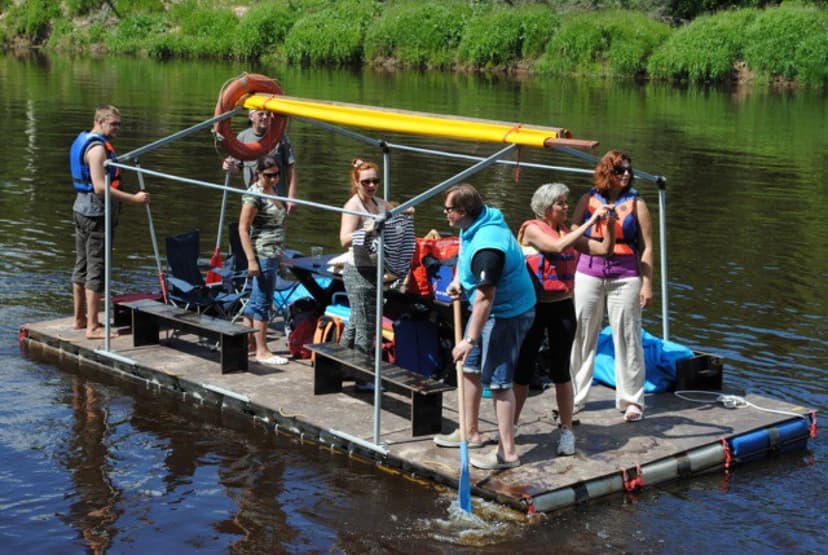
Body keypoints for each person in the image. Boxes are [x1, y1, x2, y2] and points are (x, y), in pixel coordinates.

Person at [433, 184, 536, 470]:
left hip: (508, 313)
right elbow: (465, 253)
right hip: (490, 310)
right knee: (469, 368)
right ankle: (470, 432)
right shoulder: (473, 224)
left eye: (448, 210)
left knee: (500, 382)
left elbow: (484, 297)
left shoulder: (489, 246)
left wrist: (469, 339)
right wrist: (457, 280)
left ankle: (507, 453)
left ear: (463, 211)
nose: (445, 214)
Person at [513, 183, 616, 456]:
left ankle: (567, 431)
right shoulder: (532, 229)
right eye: (561, 203)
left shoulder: (569, 232)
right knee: (523, 370)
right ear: (547, 207)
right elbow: (556, 246)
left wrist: (610, 225)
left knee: (561, 371)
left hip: (561, 309)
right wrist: (591, 220)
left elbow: (604, 249)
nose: (566, 207)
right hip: (533, 308)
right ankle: (511, 425)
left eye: (566, 202)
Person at [569, 150, 654, 422]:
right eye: (620, 170)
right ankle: (575, 396)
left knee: (628, 336)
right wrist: (593, 245)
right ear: (608, 172)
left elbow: (647, 246)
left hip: (625, 275)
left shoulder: (637, 203)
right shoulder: (588, 199)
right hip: (588, 273)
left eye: (629, 169)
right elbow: (573, 232)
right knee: (582, 334)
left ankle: (632, 400)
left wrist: (647, 283)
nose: (627, 174)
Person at [70, 105, 150, 339]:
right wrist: (134, 199)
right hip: (95, 213)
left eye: (119, 124)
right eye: (113, 124)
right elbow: (100, 186)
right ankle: (93, 327)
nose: (117, 128)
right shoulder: (96, 150)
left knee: (82, 265)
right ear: (100, 121)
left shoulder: (83, 139)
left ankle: (79, 319)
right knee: (96, 267)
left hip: (81, 208)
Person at [238, 155, 289, 365]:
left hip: (274, 252)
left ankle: (247, 344)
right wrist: (251, 260)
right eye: (269, 175)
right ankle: (262, 350)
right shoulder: (254, 196)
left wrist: (281, 254)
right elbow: (243, 228)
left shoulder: (273, 190)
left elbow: (276, 226)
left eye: (277, 174)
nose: (275, 179)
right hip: (262, 253)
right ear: (258, 173)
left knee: (255, 300)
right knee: (263, 301)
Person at [338, 158, 392, 356]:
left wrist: (403, 213)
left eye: (375, 181)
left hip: (375, 270)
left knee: (355, 323)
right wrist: (368, 231)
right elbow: (344, 239)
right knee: (366, 329)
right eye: (366, 182)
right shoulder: (353, 205)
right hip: (358, 272)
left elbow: (397, 209)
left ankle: (336, 364)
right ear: (356, 183)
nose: (371, 186)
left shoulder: (377, 202)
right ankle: (362, 375)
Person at [222, 109, 298, 214]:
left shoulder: (280, 136)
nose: (265, 117)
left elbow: (291, 167)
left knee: (274, 229)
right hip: (252, 198)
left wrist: (291, 197)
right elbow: (237, 168)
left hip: (276, 198)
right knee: (249, 228)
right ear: (251, 117)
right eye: (261, 114)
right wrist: (228, 166)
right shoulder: (242, 137)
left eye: (268, 114)